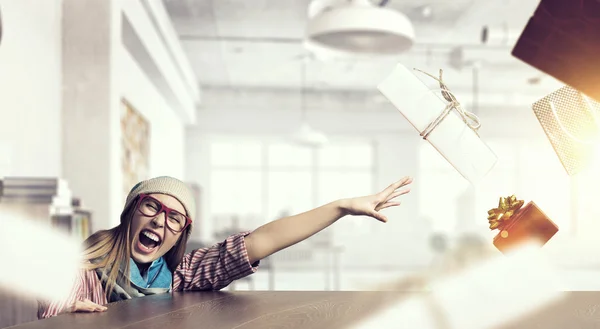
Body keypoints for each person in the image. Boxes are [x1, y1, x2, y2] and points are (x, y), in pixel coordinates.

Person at [38, 175, 413, 318]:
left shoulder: (180, 276)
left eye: (174, 218)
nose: (159, 221)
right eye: (151, 206)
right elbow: (53, 301)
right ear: (131, 212)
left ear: (180, 234)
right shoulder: (81, 265)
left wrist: (340, 208)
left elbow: (261, 241)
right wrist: (67, 314)